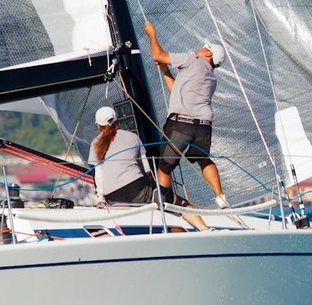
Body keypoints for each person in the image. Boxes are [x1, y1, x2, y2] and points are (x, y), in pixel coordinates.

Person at [142, 21, 230, 209]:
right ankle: (220, 196)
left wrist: (152, 35)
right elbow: (176, 91)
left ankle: (164, 205)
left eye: (203, 47)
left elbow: (158, 55)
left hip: (181, 125)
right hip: (204, 125)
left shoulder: (192, 60)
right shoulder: (211, 78)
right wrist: (165, 71)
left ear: (208, 53)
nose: (199, 48)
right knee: (203, 159)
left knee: (164, 167)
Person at [88, 106, 206, 231]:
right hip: (138, 189)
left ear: (98, 126)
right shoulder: (132, 136)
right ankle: (204, 229)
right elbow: (146, 169)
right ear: (118, 121)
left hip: (113, 197)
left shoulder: (95, 144)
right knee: (178, 203)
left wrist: (100, 198)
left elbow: (98, 176)